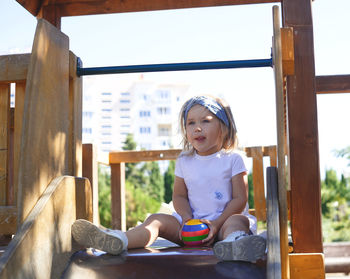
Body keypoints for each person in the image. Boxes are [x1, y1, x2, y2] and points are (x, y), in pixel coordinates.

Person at [72, 95, 266, 262]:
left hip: (223, 225)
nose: (197, 128)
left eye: (205, 121)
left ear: (223, 127)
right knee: (156, 220)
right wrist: (187, 221)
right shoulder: (185, 160)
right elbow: (179, 196)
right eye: (191, 123)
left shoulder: (233, 159)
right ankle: (119, 240)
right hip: (191, 228)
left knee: (238, 221)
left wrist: (217, 224)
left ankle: (236, 246)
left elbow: (240, 199)